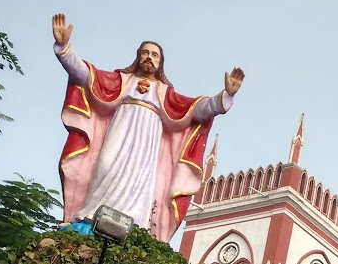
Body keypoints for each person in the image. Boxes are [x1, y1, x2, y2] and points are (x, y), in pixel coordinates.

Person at [53, 13, 244, 241]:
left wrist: (225, 96)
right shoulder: (121, 81)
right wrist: (64, 48)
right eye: (145, 53)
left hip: (147, 144)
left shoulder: (165, 93)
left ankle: (135, 228)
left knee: (140, 181)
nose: (149, 58)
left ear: (160, 62)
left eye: (154, 55)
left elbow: (197, 109)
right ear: (138, 57)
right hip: (119, 132)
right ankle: (90, 216)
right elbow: (84, 74)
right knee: (105, 165)